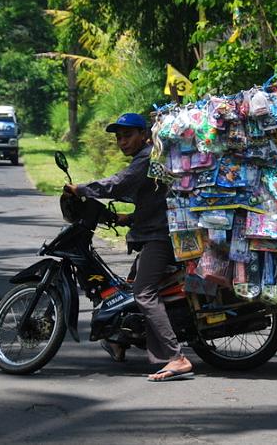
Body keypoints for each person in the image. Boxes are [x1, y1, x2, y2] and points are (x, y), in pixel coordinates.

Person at [63, 112, 193, 382]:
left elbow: (119, 183)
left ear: (144, 135)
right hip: (156, 229)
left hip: (161, 236)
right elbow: (156, 199)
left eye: (128, 135)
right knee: (130, 288)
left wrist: (83, 189)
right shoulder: (148, 158)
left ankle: (176, 357)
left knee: (143, 293)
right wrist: (128, 218)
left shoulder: (146, 157)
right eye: (119, 137)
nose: (122, 141)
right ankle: (121, 340)